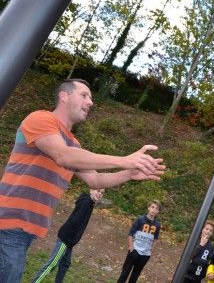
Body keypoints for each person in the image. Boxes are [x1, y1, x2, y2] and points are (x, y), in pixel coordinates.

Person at [0, 78, 165, 283]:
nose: (90, 102)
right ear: (64, 96)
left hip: (25, 231)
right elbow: (63, 156)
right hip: (7, 222)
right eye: (84, 95)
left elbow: (95, 179)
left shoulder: (73, 144)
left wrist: (130, 173)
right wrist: (123, 160)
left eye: (91, 98)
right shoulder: (41, 119)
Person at [32, 189, 105, 283]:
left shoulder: (89, 202)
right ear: (91, 190)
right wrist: (70, 240)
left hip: (70, 240)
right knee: (52, 264)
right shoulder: (86, 203)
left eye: (102, 193)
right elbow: (75, 221)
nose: (99, 194)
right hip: (66, 239)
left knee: (65, 263)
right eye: (98, 191)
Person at [117, 200, 161, 283]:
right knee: (125, 273)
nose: (154, 210)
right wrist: (131, 248)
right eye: (152, 207)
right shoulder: (140, 220)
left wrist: (150, 251)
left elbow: (155, 239)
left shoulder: (157, 225)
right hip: (135, 251)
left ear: (158, 211)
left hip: (145, 255)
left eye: (156, 208)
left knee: (135, 275)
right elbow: (130, 234)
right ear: (148, 208)